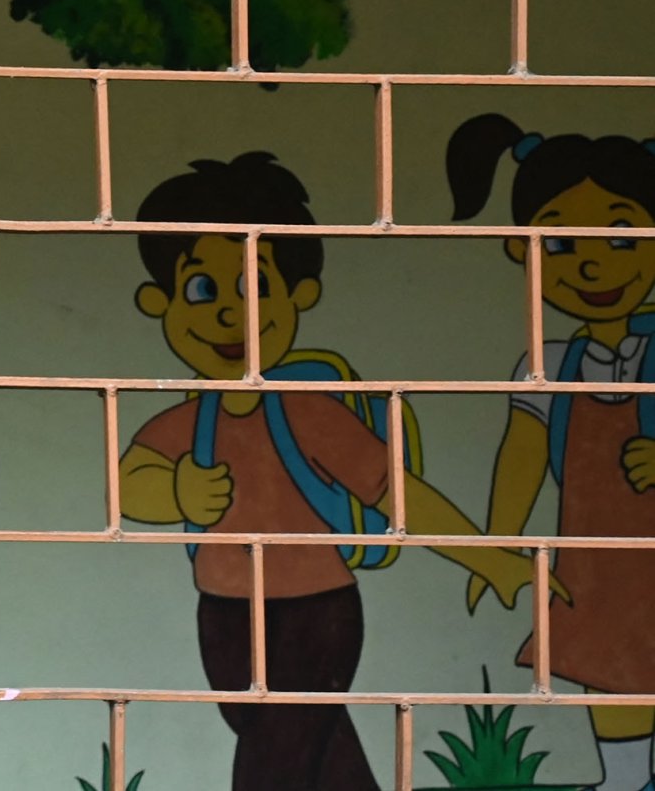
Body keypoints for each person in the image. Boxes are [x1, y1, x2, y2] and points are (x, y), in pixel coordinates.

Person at [117, 152, 550, 791]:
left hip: (316, 612)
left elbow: (393, 491)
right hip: (223, 615)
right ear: (161, 302)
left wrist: (490, 558)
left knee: (277, 751)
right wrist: (174, 489)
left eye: (255, 285)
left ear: (300, 296)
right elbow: (132, 479)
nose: (229, 312)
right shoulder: (193, 418)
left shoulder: (306, 411)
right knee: (314, 745)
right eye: (203, 290)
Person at [447, 114, 655, 791]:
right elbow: (524, 451)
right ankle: (625, 778)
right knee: (608, 667)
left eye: (622, 233)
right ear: (523, 250)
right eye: (562, 241)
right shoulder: (550, 362)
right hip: (594, 556)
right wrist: (498, 543)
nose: (592, 260)